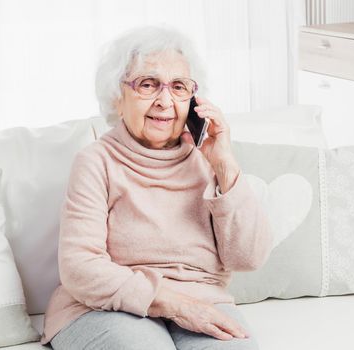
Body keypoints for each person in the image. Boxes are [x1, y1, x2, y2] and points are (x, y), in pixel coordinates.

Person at [41, 25, 272, 350]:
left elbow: (249, 257)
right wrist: (174, 303)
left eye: (178, 87)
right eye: (148, 85)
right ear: (117, 99)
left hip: (202, 301)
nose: (165, 101)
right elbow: (81, 267)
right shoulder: (96, 161)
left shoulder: (208, 159)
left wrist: (224, 164)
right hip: (105, 306)